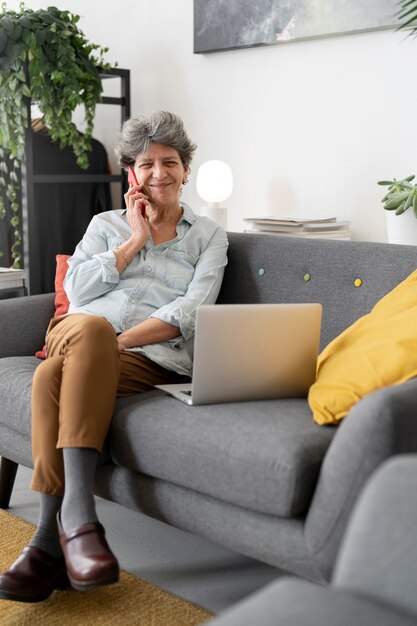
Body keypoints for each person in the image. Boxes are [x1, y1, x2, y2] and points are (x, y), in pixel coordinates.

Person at [0, 111, 229, 602]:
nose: (159, 173)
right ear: (132, 174)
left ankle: (45, 544)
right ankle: (80, 518)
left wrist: (110, 344)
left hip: (149, 357)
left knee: (48, 381)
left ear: (187, 169)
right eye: (147, 164)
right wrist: (133, 242)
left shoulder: (208, 236)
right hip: (76, 331)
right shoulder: (105, 225)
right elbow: (75, 287)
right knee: (87, 328)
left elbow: (190, 312)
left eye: (170, 162)